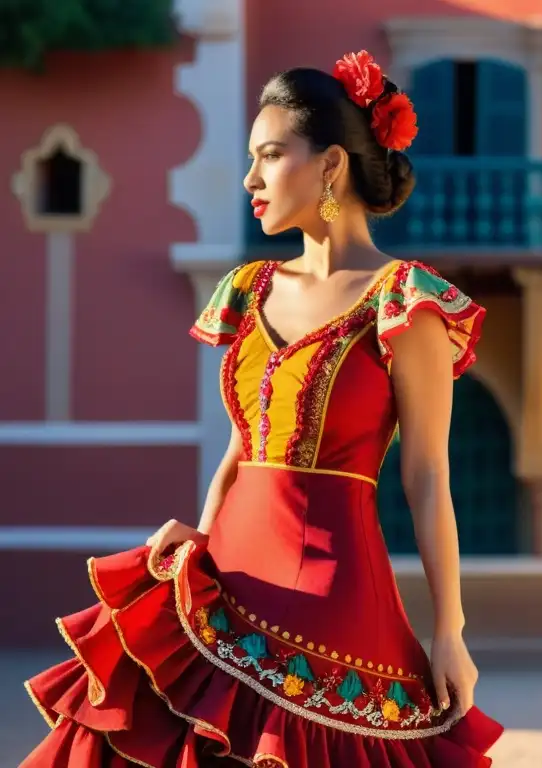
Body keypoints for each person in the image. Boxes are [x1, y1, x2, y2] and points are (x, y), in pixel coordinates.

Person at [22, 50, 502, 767]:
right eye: (252, 158)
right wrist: (203, 537)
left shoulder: (406, 301)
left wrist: (450, 631)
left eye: (271, 155)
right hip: (223, 585)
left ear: (332, 165)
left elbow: (429, 474)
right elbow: (239, 451)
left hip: (333, 605)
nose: (250, 178)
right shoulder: (250, 290)